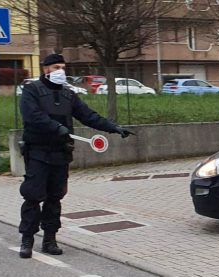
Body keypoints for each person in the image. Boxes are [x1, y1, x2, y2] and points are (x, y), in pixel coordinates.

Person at [17, 54, 134, 259]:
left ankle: (50, 239)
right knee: (33, 195)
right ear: (45, 69)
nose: (60, 71)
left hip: (60, 154)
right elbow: (32, 116)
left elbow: (88, 115)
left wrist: (113, 128)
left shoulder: (68, 95)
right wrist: (56, 128)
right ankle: (27, 238)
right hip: (38, 152)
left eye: (62, 67)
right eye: (55, 67)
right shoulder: (31, 90)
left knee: (55, 197)